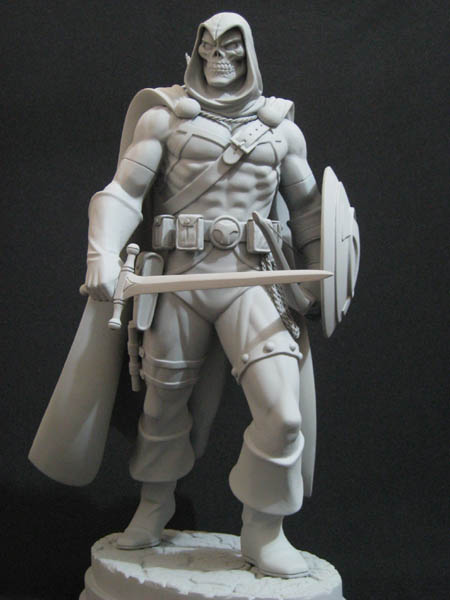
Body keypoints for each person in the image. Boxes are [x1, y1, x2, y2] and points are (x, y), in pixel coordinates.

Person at [45, 12, 326, 578]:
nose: (219, 57)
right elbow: (122, 194)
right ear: (196, 51)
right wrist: (101, 254)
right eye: (209, 46)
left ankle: (264, 528)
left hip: (252, 282)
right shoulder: (166, 119)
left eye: (232, 47)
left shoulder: (280, 130)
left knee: (282, 414)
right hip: (179, 278)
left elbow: (311, 212)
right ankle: (155, 504)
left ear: (248, 54)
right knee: (162, 401)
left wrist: (322, 275)